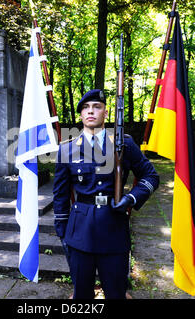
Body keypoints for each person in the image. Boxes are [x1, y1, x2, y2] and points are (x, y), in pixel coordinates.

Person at [53, 89, 159, 299]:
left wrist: (131, 198)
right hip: (79, 232)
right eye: (86, 107)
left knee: (116, 293)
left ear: (106, 113)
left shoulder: (124, 145)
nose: (91, 111)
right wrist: (63, 232)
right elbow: (61, 195)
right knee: (82, 296)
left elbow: (151, 176)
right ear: (81, 115)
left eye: (97, 107)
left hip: (113, 229)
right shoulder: (67, 150)